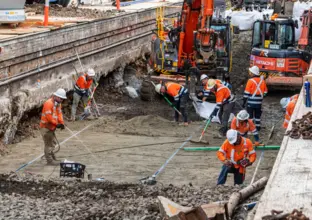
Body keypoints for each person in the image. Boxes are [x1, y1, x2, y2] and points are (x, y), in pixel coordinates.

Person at [40, 89, 67, 165]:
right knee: (49, 144)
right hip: (46, 127)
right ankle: (50, 161)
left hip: (51, 127)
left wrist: (61, 123)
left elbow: (59, 114)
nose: (61, 100)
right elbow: (48, 117)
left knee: (53, 142)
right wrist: (56, 124)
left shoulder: (57, 103)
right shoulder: (48, 103)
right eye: (61, 98)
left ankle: (52, 157)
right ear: (56, 96)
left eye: (62, 99)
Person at [243, 66, 268, 131]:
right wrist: (260, 97)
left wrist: (244, 102)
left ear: (252, 73)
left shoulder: (250, 81)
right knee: (257, 115)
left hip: (251, 102)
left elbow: (246, 93)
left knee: (250, 115)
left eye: (250, 72)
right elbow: (265, 92)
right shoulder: (262, 81)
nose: (249, 73)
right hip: (259, 102)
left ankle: (251, 128)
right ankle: (258, 127)